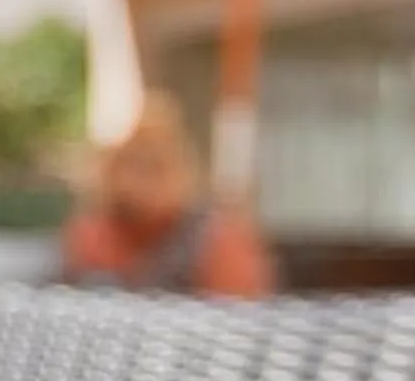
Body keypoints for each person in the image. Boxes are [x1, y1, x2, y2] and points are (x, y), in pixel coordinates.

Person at [62, 93, 274, 297]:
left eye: (152, 168)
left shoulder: (215, 239)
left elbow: (238, 308)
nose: (137, 182)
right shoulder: (95, 231)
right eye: (131, 163)